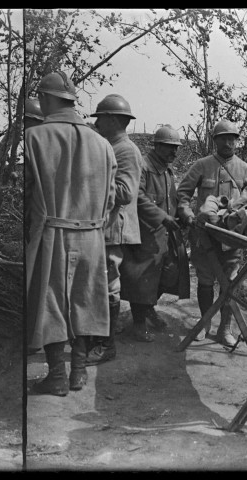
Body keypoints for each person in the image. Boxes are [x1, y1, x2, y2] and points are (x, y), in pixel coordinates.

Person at [26, 71, 116, 396]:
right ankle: (78, 372)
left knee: (51, 301)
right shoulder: (104, 144)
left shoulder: (35, 137)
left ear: (47, 99)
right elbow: (113, 197)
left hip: (53, 233)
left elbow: (28, 192)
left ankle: (57, 375)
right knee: (85, 300)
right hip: (92, 235)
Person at [176, 120, 247, 347]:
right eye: (223, 138)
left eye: (232, 138)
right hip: (205, 236)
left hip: (232, 238)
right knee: (205, 280)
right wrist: (187, 214)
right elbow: (183, 194)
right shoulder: (202, 165)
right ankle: (205, 322)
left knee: (230, 283)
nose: (228, 142)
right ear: (215, 140)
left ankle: (225, 328)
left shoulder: (244, 169)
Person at [119, 125, 189, 342]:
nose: (174, 153)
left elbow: (173, 200)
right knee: (141, 280)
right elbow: (137, 198)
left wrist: (183, 214)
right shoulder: (144, 167)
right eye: (169, 147)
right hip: (145, 234)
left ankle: (148, 308)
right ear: (156, 146)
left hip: (164, 235)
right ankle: (139, 324)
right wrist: (163, 218)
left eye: (176, 148)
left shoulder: (167, 170)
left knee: (168, 274)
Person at [86, 94, 141, 364]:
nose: (97, 124)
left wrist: (92, 178)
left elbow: (126, 192)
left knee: (108, 285)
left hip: (112, 226)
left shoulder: (126, 150)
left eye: (101, 119)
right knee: (99, 283)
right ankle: (97, 338)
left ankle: (107, 345)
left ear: (113, 120)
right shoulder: (110, 145)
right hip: (102, 225)